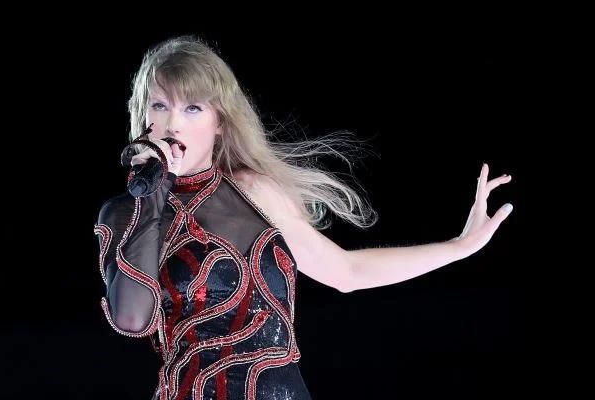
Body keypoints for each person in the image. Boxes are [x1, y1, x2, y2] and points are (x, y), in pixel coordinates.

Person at [93, 35, 514, 400]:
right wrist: (151, 191)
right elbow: (133, 318)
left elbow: (346, 272)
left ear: (220, 122)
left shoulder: (254, 191)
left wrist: (460, 247)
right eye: (161, 106)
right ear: (144, 116)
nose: (172, 125)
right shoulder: (125, 213)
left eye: (193, 109)